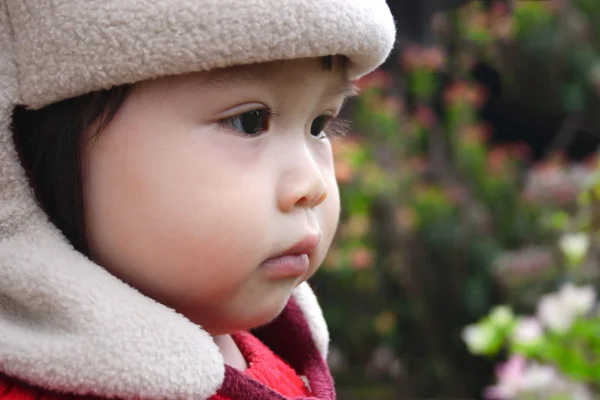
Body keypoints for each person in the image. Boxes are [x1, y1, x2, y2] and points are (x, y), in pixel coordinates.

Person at [0, 1, 395, 399]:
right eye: (249, 121)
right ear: (28, 156)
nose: (312, 184)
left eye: (319, 124)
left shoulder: (276, 357)